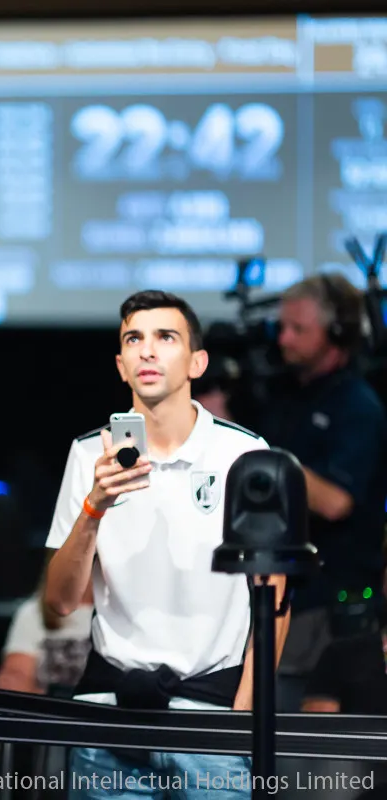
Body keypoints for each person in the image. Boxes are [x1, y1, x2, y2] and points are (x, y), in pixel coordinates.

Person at [44, 290, 289, 800]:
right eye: (134, 339)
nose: (148, 350)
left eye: (166, 337)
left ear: (198, 362)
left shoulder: (244, 452)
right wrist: (94, 506)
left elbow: (274, 596)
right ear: (121, 365)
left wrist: (246, 711)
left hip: (212, 717)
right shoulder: (89, 454)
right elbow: (60, 602)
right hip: (110, 715)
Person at [257, 272, 387, 711]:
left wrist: (263, 458)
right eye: (281, 327)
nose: (284, 339)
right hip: (283, 592)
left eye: (298, 329)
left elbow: (336, 501)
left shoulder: (357, 406)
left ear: (336, 334)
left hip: (327, 604)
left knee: (300, 729)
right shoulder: (286, 396)